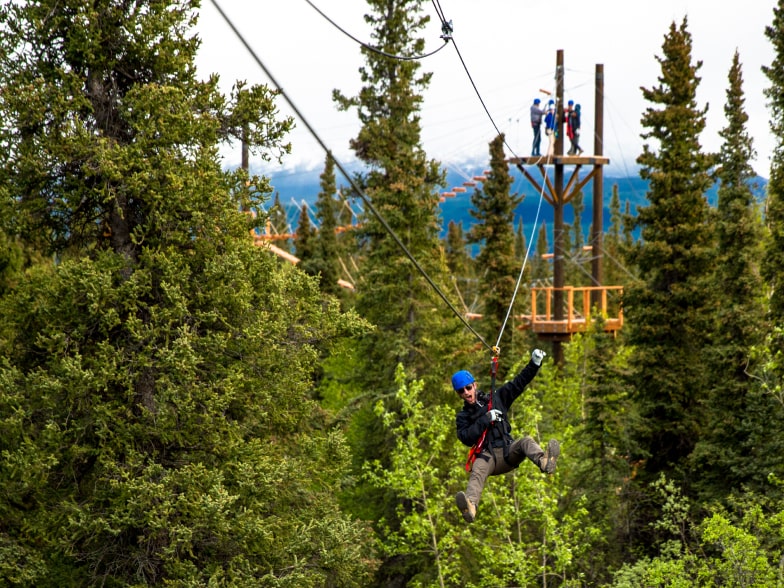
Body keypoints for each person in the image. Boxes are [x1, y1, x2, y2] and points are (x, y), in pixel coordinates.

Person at [453, 349, 560, 523]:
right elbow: (466, 437)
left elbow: (519, 383)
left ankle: (545, 462)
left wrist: (534, 363)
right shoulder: (463, 417)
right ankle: (470, 507)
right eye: (461, 391)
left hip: (507, 451)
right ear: (459, 394)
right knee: (477, 470)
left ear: (475, 385)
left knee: (525, 441)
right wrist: (486, 419)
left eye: (468, 387)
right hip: (488, 458)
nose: (466, 392)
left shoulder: (497, 399)